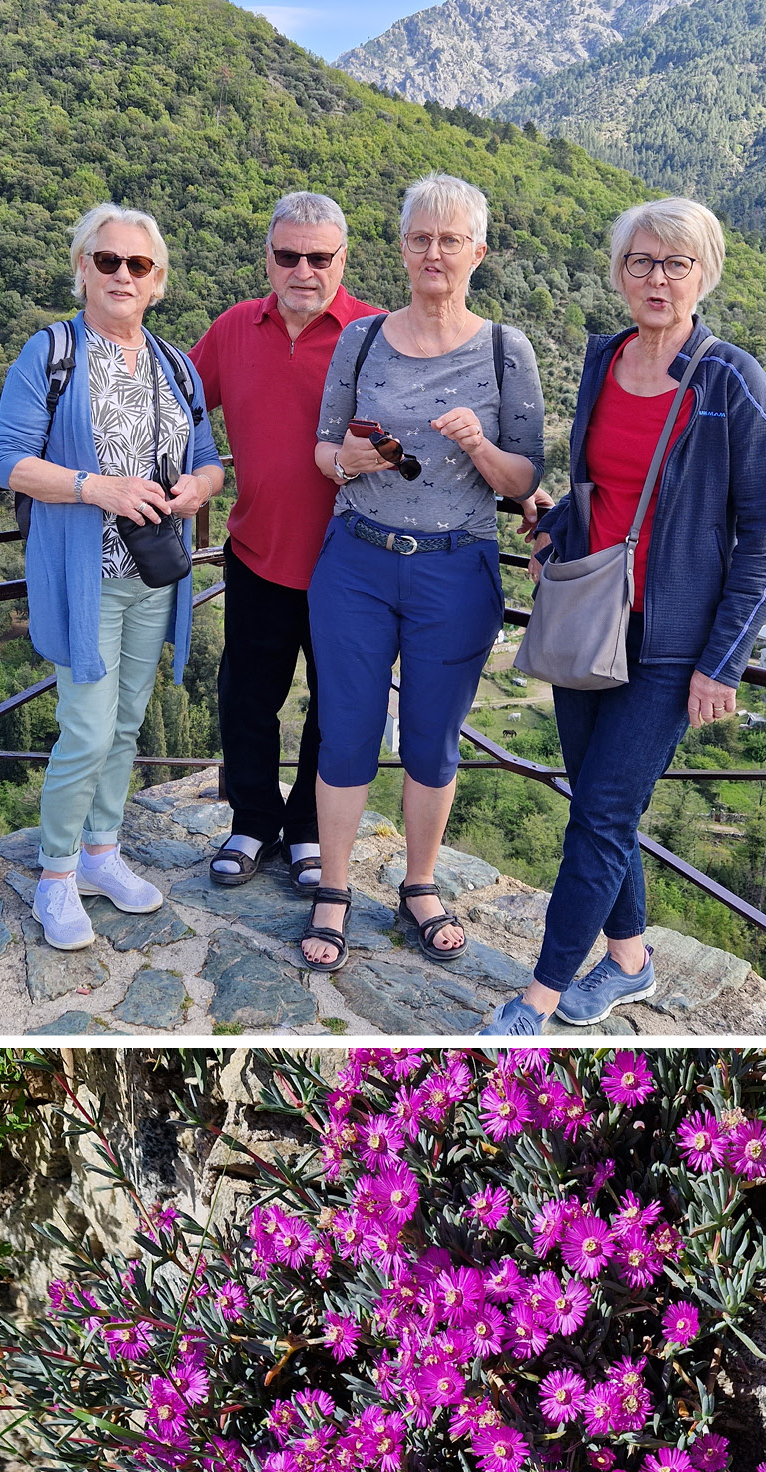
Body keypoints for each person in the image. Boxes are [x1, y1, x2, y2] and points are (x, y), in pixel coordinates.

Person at [485, 197, 766, 1032]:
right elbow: (602, 490)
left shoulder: (731, 379)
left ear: (703, 274)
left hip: (670, 640)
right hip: (590, 614)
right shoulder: (603, 358)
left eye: (675, 264)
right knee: (593, 798)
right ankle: (629, 960)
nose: (656, 279)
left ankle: (537, 997)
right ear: (619, 272)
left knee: (601, 815)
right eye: (640, 262)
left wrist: (721, 660)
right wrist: (555, 527)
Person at [300, 173, 543, 977]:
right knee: (345, 733)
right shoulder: (359, 339)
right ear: (400, 247)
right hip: (357, 561)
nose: (432, 253)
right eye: (418, 238)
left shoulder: (507, 351)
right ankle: (332, 890)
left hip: (456, 569)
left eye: (449, 240)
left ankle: (418, 884)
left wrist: (477, 444)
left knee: (434, 741)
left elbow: (520, 478)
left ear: (477, 251)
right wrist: (348, 461)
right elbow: (322, 450)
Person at [0, 202, 226, 952]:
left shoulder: (172, 363)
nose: (122, 275)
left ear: (158, 281)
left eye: (138, 265)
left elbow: (209, 456)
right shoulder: (51, 353)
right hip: (81, 573)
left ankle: (100, 852)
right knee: (86, 729)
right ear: (82, 269)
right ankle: (54, 876)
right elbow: (9, 463)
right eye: (107, 261)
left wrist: (200, 488)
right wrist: (99, 487)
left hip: (152, 574)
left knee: (125, 722)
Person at [191, 192, 381, 894]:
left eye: (318, 256)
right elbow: (174, 408)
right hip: (256, 554)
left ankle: (305, 830)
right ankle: (251, 821)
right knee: (246, 699)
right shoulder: (235, 328)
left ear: (341, 260)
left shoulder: (374, 334)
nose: (302, 269)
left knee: (334, 711)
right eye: (287, 255)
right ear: (267, 259)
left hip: (351, 566)